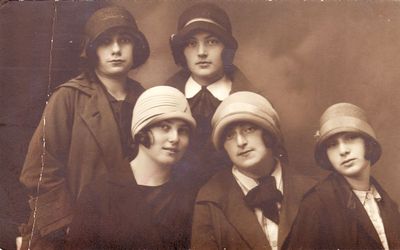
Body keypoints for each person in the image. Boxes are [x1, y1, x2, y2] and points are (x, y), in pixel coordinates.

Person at [19, 5, 150, 249]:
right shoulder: (68, 98)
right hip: (71, 232)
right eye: (105, 42)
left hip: (130, 228)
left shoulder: (145, 100)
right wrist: (69, 224)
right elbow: (37, 171)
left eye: (124, 40)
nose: (116, 49)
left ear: (136, 48)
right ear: (92, 50)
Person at [66, 86, 197, 249]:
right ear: (141, 131)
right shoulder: (97, 194)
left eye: (183, 131)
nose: (175, 138)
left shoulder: (192, 194)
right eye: (165, 127)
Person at [191, 91, 319, 250]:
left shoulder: (312, 191)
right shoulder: (210, 199)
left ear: (269, 134)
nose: (240, 142)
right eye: (230, 136)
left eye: (249, 129)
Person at [166, 2, 260, 187]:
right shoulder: (164, 99)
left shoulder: (254, 102)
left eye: (212, 42)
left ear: (226, 49)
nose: (201, 53)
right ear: (182, 51)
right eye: (192, 44)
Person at [284, 103, 400, 250]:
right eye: (332, 145)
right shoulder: (316, 204)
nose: (343, 150)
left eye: (351, 138)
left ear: (368, 143)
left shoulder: (387, 203)